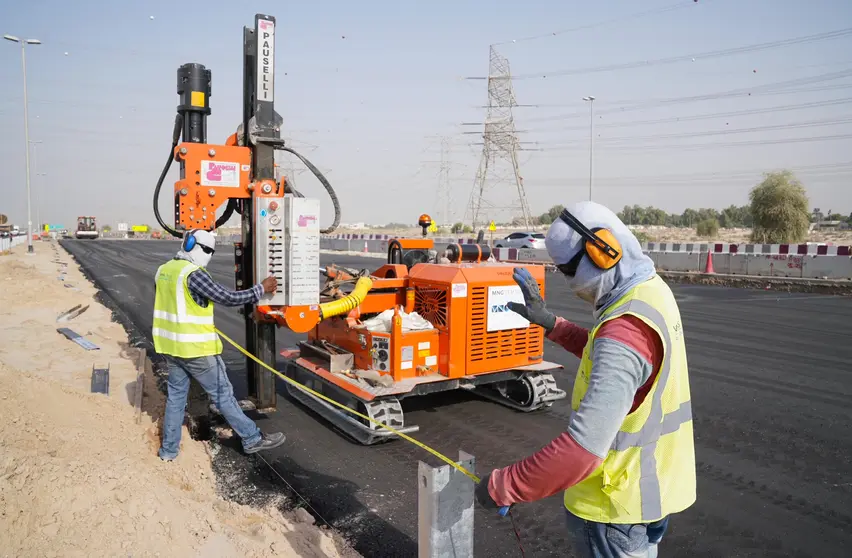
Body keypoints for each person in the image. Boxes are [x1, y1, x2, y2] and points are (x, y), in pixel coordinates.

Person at [475, 201, 696, 558]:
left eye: (566, 269)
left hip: (612, 507)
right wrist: (553, 324)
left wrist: (504, 486)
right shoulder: (650, 292)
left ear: (603, 251)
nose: (568, 280)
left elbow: (582, 451)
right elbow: (617, 360)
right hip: (651, 493)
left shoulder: (624, 329)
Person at [152, 229, 287, 461]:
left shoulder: (163, 271)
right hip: (196, 351)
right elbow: (227, 297)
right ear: (197, 247)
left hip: (170, 348)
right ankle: (252, 438)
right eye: (208, 251)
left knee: (176, 399)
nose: (209, 256)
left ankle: (168, 452)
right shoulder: (193, 274)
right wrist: (261, 289)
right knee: (223, 395)